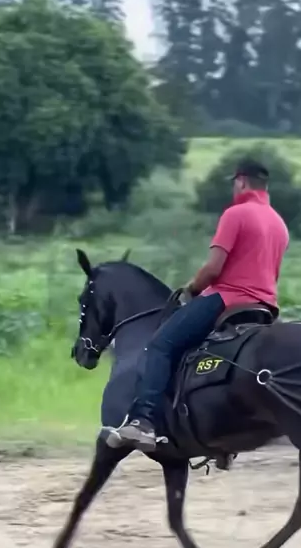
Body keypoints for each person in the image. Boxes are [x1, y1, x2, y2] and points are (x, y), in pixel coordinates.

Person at [105, 159, 290, 451]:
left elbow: (214, 269)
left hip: (228, 298)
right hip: (264, 307)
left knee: (161, 345)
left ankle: (143, 421)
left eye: (235, 183)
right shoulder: (279, 224)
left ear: (241, 181)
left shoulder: (236, 214)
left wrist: (192, 288)